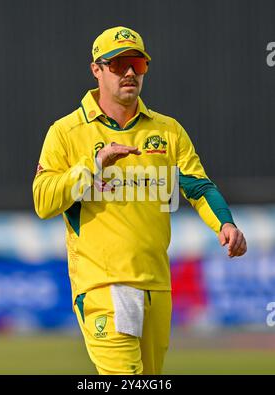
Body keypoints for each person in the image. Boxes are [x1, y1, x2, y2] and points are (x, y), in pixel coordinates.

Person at [32, 26, 247, 375]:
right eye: (118, 65)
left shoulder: (167, 130)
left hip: (157, 286)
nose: (130, 72)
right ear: (96, 70)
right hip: (103, 286)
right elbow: (43, 200)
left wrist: (225, 223)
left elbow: (199, 187)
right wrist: (92, 166)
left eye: (137, 63)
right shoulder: (66, 132)